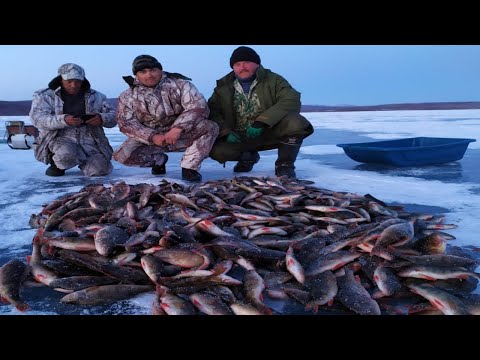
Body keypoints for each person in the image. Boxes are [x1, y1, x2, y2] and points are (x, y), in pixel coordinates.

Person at [208, 46, 314, 178]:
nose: (242, 67)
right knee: (215, 150)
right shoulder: (223, 87)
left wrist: (263, 121)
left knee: (295, 122)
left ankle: (285, 165)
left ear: (257, 64)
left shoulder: (274, 80)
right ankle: (247, 157)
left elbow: (291, 99)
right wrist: (225, 132)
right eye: (237, 64)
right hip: (239, 135)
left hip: (268, 130)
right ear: (233, 67)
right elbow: (212, 111)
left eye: (247, 62)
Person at [113, 55, 219, 182]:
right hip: (154, 139)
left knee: (210, 127)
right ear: (136, 75)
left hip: (181, 134)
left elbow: (198, 105)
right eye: (143, 72)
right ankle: (159, 160)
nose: (149, 75)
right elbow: (126, 123)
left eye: (153, 70)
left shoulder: (181, 85)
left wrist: (178, 128)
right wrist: (152, 136)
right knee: (122, 155)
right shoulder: (127, 96)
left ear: (160, 70)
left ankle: (189, 167)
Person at [30, 63, 116, 177]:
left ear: (83, 80)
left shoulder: (97, 96)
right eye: (69, 81)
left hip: (90, 137)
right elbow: (37, 118)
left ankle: (84, 160)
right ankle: (55, 161)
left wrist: (101, 118)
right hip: (60, 137)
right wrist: (63, 120)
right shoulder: (44, 95)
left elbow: (114, 116)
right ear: (61, 79)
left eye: (78, 81)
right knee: (66, 156)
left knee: (100, 171)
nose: (74, 85)